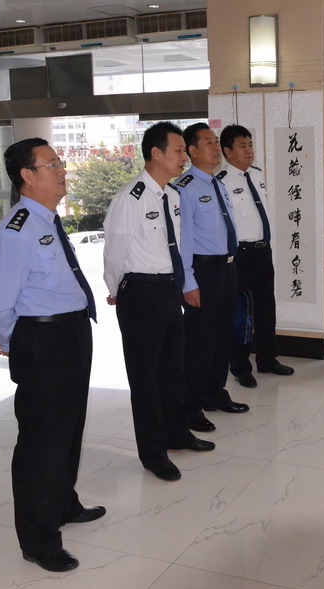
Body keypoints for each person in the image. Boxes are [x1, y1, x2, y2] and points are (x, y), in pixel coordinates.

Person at [0, 138, 105, 572]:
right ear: (27, 176)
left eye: (59, 162)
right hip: (44, 341)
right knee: (42, 441)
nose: (62, 169)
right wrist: (15, 342)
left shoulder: (46, 221)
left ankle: (63, 503)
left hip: (71, 333)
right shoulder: (15, 231)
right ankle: (38, 539)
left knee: (69, 428)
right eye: (52, 163)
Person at [103, 121, 214, 482]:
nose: (184, 157)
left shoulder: (173, 195)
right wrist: (116, 289)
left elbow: (177, 247)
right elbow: (114, 251)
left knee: (171, 369)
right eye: (179, 151)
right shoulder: (131, 197)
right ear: (156, 153)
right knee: (145, 377)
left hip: (167, 290)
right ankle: (153, 453)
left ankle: (177, 434)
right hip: (140, 292)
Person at [176, 123, 250, 432]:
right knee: (200, 341)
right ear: (192, 151)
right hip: (202, 271)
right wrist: (188, 282)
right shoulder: (184, 188)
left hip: (227, 268)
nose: (216, 147)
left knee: (222, 336)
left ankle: (215, 393)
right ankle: (191, 406)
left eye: (216, 141)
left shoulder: (217, 185)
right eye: (209, 142)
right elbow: (183, 240)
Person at [219, 124, 294, 387]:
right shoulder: (221, 182)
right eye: (243, 146)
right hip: (240, 255)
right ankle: (240, 366)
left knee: (265, 308)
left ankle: (267, 359)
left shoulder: (257, 175)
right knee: (241, 313)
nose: (249, 150)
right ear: (228, 151)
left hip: (263, 252)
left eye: (250, 144)